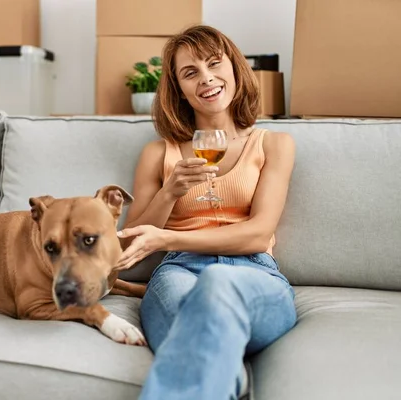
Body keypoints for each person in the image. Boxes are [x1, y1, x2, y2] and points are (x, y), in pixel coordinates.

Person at [114, 25, 298, 400]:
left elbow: (258, 234)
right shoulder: (157, 153)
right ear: (177, 87)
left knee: (218, 283)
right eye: (190, 72)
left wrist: (169, 237)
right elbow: (130, 247)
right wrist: (170, 192)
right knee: (200, 312)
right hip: (179, 272)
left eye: (215, 64)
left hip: (254, 272)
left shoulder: (275, 143)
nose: (207, 78)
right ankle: (226, 376)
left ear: (234, 69)